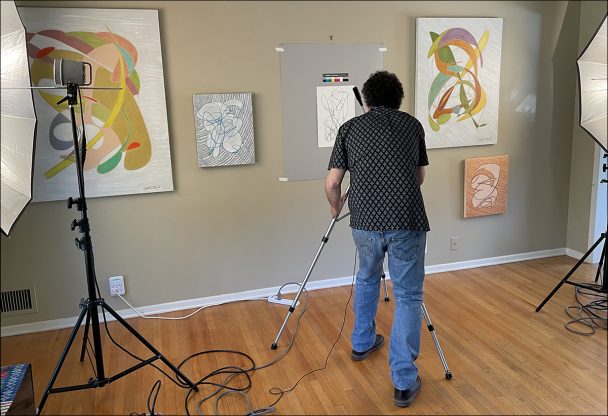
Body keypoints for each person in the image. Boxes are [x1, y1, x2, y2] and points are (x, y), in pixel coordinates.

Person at [325, 70, 430, 408]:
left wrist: (335, 207)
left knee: (367, 278)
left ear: (366, 99)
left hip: (365, 222)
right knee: (408, 296)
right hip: (407, 220)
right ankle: (402, 381)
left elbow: (331, 184)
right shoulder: (412, 125)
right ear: (397, 98)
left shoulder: (349, 129)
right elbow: (419, 177)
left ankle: (362, 342)